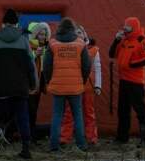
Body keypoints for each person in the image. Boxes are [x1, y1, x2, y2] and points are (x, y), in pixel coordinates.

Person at [0, 9, 37, 159]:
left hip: (1, 88)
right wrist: (33, 85)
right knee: (22, 116)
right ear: (16, 24)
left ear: (3, 24)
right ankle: (26, 149)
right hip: (20, 87)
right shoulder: (24, 39)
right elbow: (31, 65)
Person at [43, 17, 91, 152]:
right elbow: (87, 65)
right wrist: (82, 80)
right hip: (76, 87)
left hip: (58, 86)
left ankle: (54, 146)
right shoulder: (80, 44)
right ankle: (81, 145)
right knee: (78, 115)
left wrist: (49, 81)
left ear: (59, 29)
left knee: (57, 115)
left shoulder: (52, 44)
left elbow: (46, 66)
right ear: (73, 29)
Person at [109, 17, 145, 144]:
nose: (125, 30)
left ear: (133, 27)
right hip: (123, 81)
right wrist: (116, 40)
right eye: (124, 28)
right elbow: (111, 54)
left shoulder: (143, 41)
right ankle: (122, 138)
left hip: (136, 82)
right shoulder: (124, 41)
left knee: (140, 110)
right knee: (122, 111)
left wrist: (130, 64)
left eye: (127, 28)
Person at [60, 25, 101, 145]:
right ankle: (64, 138)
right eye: (76, 33)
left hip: (88, 86)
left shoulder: (94, 50)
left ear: (84, 34)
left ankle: (91, 138)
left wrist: (98, 85)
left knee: (89, 113)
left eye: (80, 32)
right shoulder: (70, 48)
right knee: (69, 112)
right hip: (73, 85)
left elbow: (97, 68)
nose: (78, 35)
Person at [27, 22, 51, 141]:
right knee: (29, 108)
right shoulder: (29, 45)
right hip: (30, 80)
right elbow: (25, 62)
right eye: (40, 34)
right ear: (35, 35)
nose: (43, 36)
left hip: (40, 79)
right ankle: (28, 134)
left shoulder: (46, 46)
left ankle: (31, 133)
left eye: (44, 34)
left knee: (34, 107)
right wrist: (34, 55)